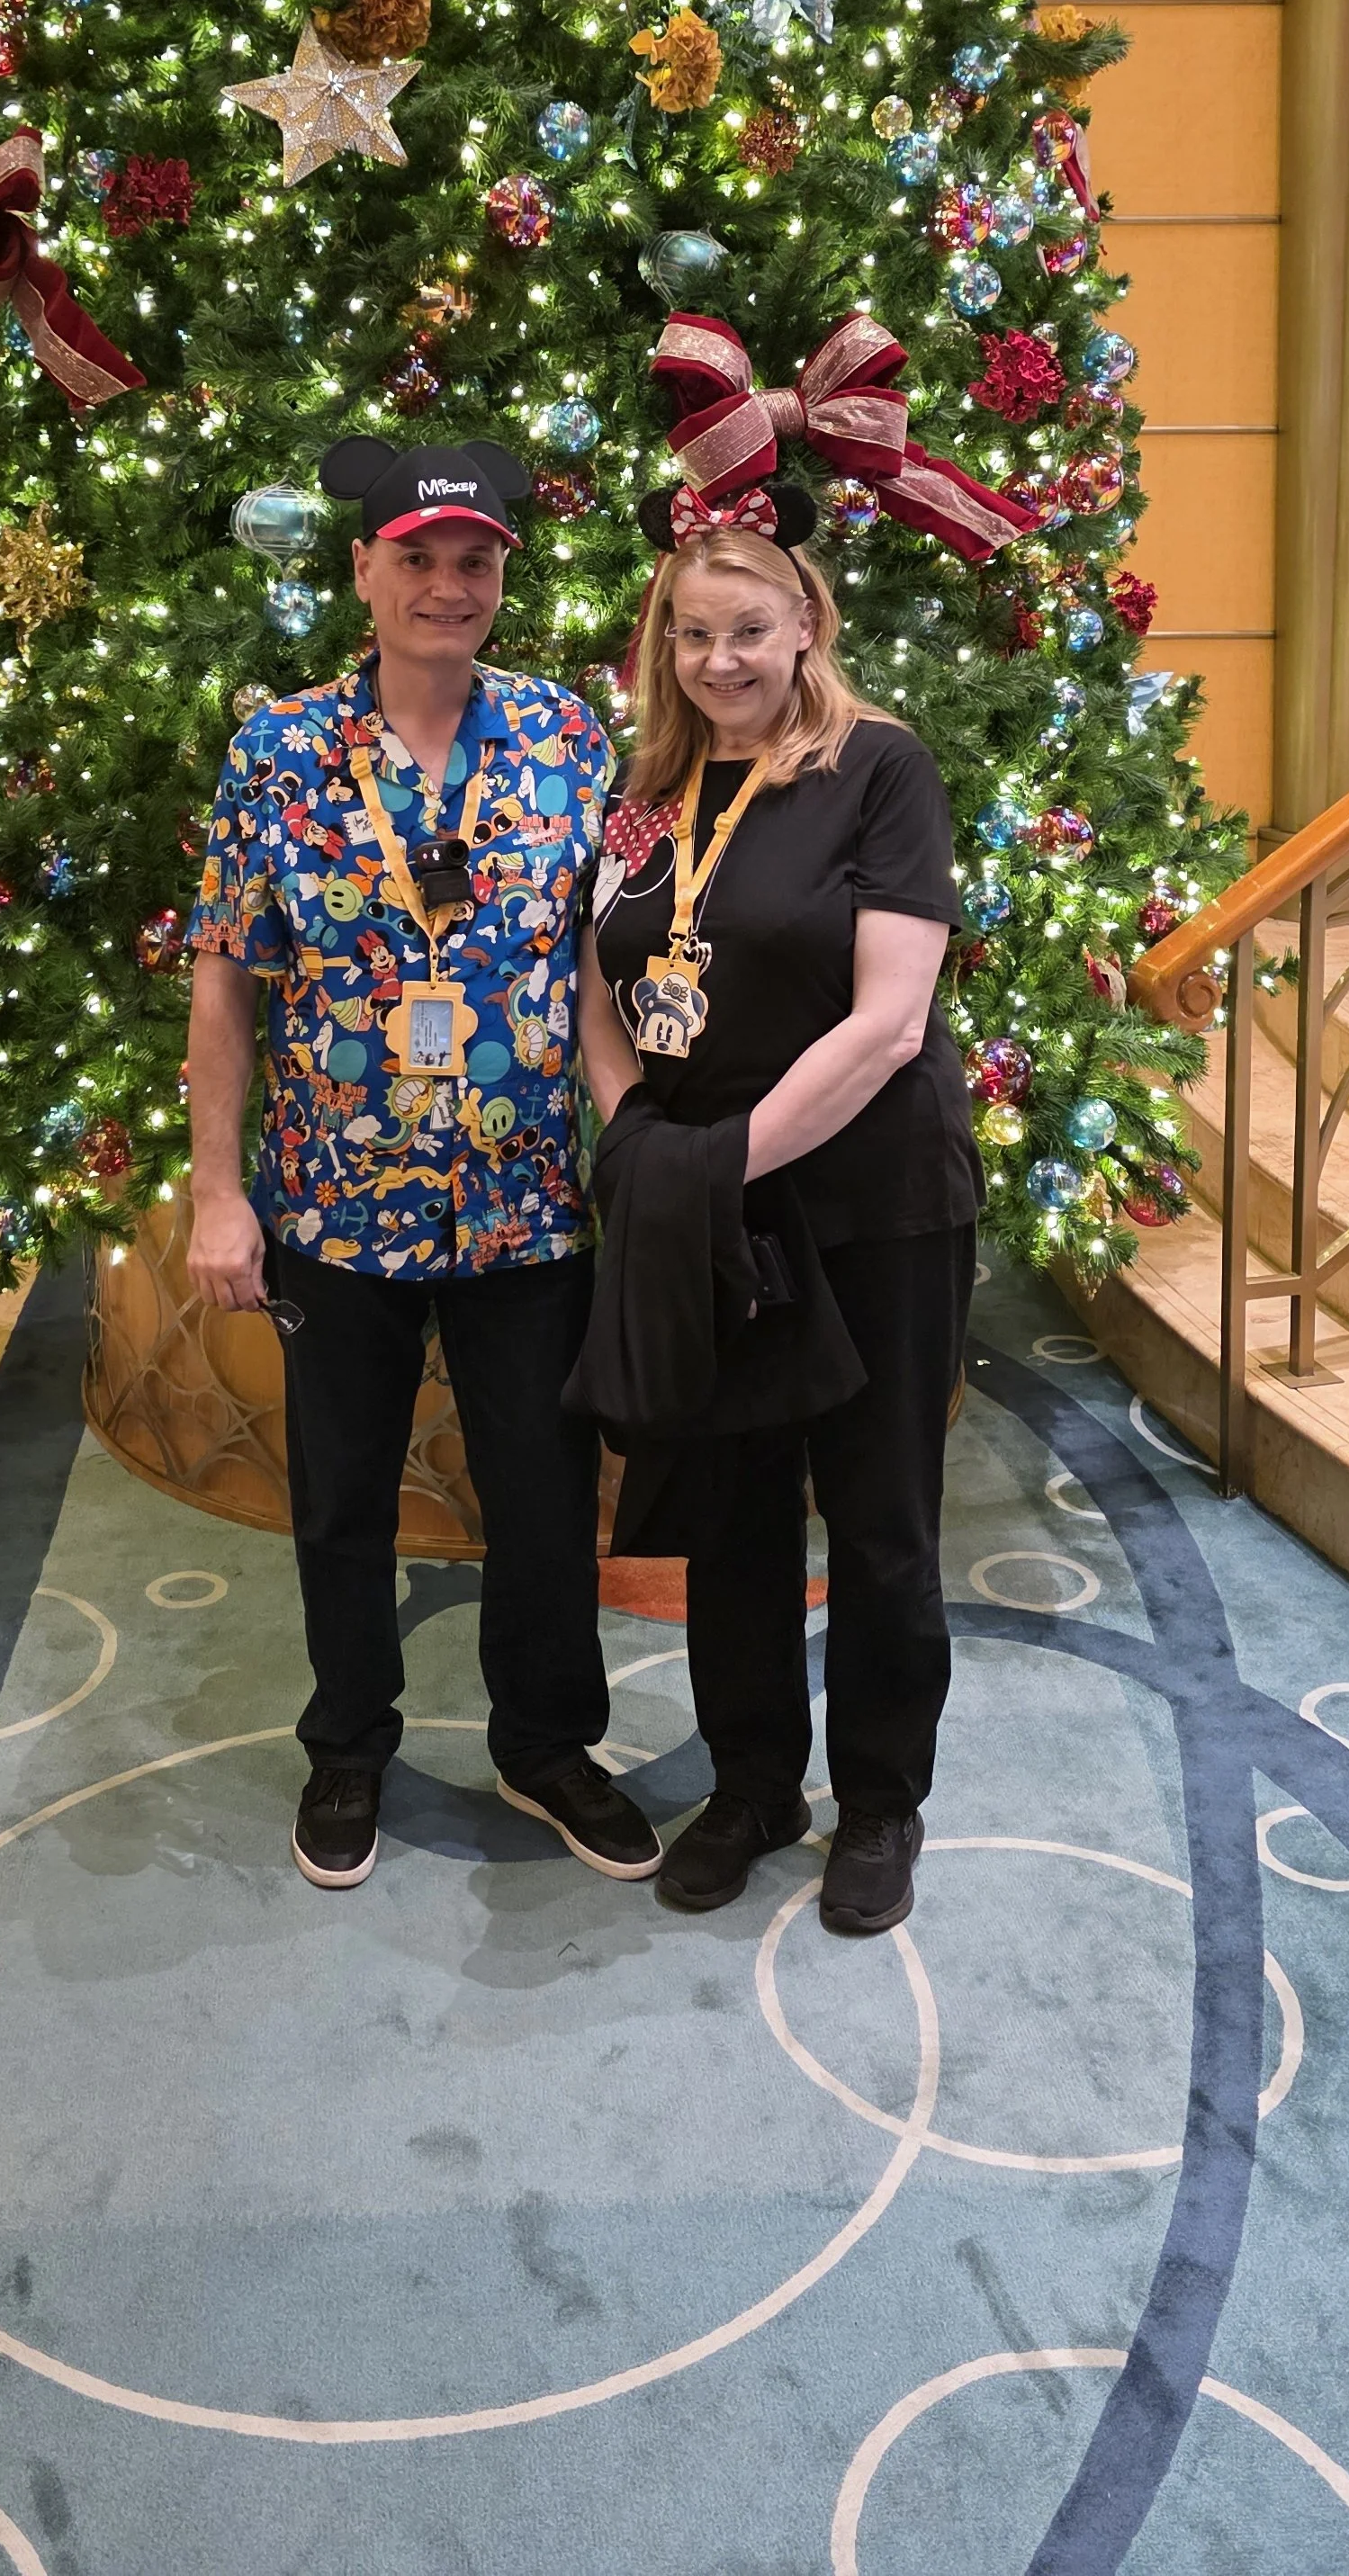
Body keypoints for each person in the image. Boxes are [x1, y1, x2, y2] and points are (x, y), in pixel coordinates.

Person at [184, 435, 661, 1897]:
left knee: (537, 1489)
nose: (446, 587)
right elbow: (224, 981)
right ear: (363, 571)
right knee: (340, 1495)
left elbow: (595, 964)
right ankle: (350, 1747)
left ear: (503, 577)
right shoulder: (278, 751)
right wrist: (219, 1192)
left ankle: (547, 1742)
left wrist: (630, 1135)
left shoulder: (571, 737)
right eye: (417, 559)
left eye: (474, 562)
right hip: (336, 1204)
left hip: (525, 1205)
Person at [577, 489, 981, 1938]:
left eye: (748, 629)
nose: (719, 661)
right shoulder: (647, 793)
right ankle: (755, 1787)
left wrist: (716, 1159)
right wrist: (631, 1130)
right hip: (701, 1203)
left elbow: (887, 1023)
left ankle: (880, 1801)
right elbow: (599, 981)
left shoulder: (879, 769)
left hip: (869, 1202)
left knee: (878, 1516)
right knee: (733, 1511)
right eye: (690, 634)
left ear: (805, 621)